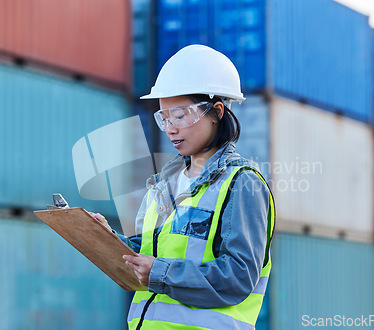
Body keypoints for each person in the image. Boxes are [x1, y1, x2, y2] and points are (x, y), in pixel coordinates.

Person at [93, 45, 275, 330]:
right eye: (164, 117)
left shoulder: (242, 183)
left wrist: (160, 273)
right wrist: (105, 239)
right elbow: (151, 256)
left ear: (216, 112)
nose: (170, 128)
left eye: (180, 115)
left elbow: (239, 277)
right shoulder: (164, 183)